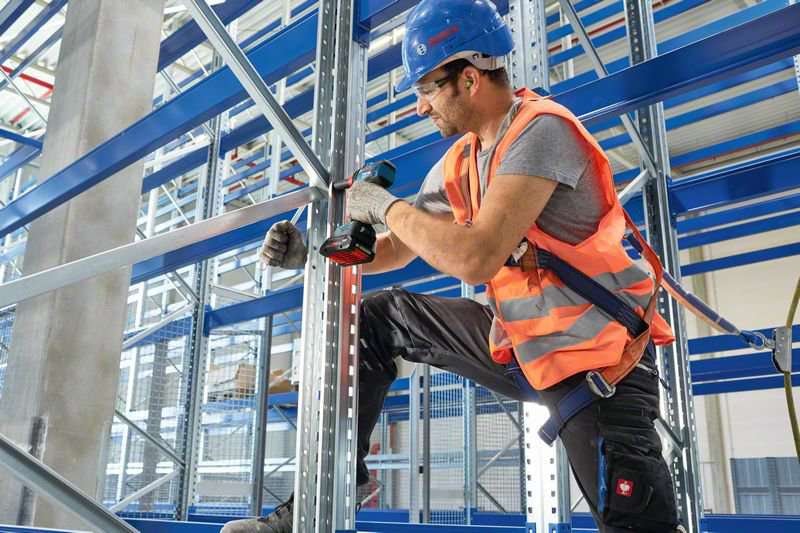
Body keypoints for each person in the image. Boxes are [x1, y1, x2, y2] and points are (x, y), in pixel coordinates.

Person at [222, 0, 686, 532]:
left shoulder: (540, 132)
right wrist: (311, 254)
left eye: (426, 89)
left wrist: (387, 206)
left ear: (469, 78)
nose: (421, 107)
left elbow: (475, 257)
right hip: (524, 347)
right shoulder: (463, 160)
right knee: (378, 319)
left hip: (600, 364)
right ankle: (333, 487)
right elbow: (400, 247)